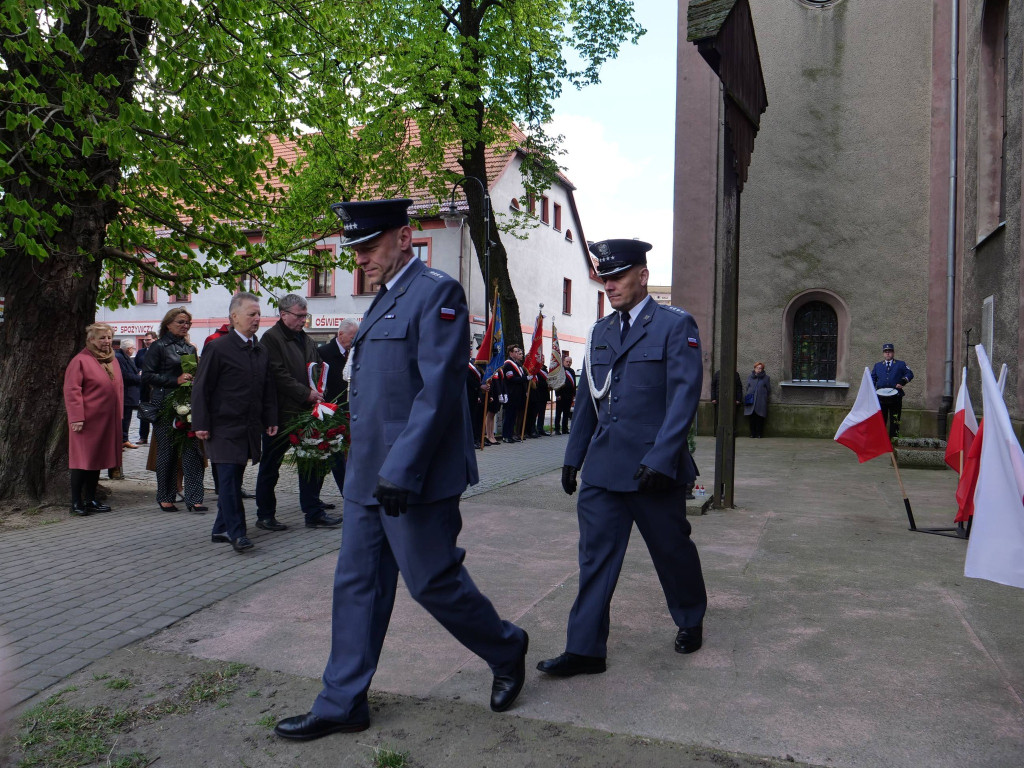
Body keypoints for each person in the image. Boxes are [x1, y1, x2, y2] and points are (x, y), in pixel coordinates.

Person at [275, 198, 528, 741]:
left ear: (404, 238)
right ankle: (343, 700)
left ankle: (506, 646)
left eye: (369, 246)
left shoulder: (436, 293)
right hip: (371, 476)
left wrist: (402, 467)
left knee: (432, 582)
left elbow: (437, 392)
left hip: (416, 476)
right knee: (357, 585)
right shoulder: (385, 298)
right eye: (355, 248)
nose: (359, 258)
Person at [538, 238, 706, 678]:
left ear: (642, 275)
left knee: (671, 551)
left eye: (617, 276)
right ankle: (585, 649)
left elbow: (684, 400)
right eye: (604, 278)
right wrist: (573, 457)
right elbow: (587, 403)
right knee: (594, 559)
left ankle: (690, 617)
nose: (609, 285)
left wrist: (662, 457)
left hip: (655, 470)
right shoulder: (601, 331)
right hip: (604, 468)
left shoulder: (674, 324)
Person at [192, 293, 278, 553]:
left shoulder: (260, 349)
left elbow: (267, 389)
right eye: (251, 314)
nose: (257, 319)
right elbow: (201, 388)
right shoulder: (218, 348)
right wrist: (201, 423)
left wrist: (270, 418)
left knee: (234, 479)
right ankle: (236, 532)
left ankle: (220, 526)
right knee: (229, 481)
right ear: (234, 317)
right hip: (222, 427)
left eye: (258, 314)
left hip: (248, 427)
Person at [255, 295, 341, 531]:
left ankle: (313, 512)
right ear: (283, 314)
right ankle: (265, 515)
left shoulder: (306, 339)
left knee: (313, 461)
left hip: (307, 413)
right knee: (271, 466)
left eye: (305, 316)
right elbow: (278, 374)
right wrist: (306, 393)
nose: (303, 320)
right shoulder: (271, 339)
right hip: (281, 414)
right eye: (299, 316)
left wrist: (318, 393)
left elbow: (315, 370)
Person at [142, 308, 206, 512]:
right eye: (181, 322)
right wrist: (174, 380)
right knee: (167, 452)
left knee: (192, 452)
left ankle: (195, 498)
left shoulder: (189, 348)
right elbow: (147, 376)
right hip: (165, 405)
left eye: (188, 322)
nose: (185, 325)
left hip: (187, 404)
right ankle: (165, 496)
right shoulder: (159, 346)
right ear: (168, 324)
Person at [63, 323, 123, 516]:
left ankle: (91, 499)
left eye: (108, 337)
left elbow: (118, 388)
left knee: (96, 461)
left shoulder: (112, 359)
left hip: (107, 419)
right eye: (102, 338)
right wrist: (76, 417)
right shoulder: (80, 360)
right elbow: (72, 391)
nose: (106, 341)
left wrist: (119, 414)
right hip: (87, 421)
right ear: (91, 340)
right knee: (82, 462)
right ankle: (76, 503)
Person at [317, 318, 359, 504]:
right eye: (352, 336)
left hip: (349, 411)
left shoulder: (355, 353)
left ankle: (348, 495)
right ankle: (347, 496)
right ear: (340, 334)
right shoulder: (323, 353)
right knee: (331, 458)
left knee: (341, 457)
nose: (355, 340)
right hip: (329, 413)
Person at [871, 343, 913, 439]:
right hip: (881, 398)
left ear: (893, 353)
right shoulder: (877, 366)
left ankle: (894, 440)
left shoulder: (900, 364)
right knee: (881, 419)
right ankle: (881, 440)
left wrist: (902, 382)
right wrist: (871, 388)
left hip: (895, 397)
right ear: (883, 354)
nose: (888, 353)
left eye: (889, 351)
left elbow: (910, 374)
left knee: (895, 419)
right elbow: (872, 378)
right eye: (886, 352)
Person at [115, 341, 141, 449]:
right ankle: (121, 440)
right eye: (133, 348)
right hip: (126, 393)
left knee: (127, 418)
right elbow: (125, 375)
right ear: (129, 349)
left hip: (130, 394)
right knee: (123, 418)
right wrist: (140, 377)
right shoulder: (120, 358)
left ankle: (124, 439)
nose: (133, 351)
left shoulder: (124, 357)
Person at [134, 331, 159, 444]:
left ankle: (158, 437)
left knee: (158, 411)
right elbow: (135, 366)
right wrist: (139, 371)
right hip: (144, 386)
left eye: (148, 340)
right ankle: (143, 437)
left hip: (157, 386)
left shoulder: (160, 351)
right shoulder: (141, 352)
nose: (146, 342)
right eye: (145, 340)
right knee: (144, 410)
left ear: (155, 339)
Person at [500, 345, 526, 442]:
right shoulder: (508, 364)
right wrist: (525, 379)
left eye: (517, 351)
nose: (516, 353)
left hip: (517, 394)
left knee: (513, 416)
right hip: (511, 393)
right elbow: (511, 379)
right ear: (510, 353)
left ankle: (510, 435)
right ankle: (506, 436)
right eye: (515, 351)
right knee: (509, 415)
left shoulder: (517, 364)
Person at [743, 363, 771, 438]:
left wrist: (764, 397)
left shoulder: (766, 378)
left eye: (760, 368)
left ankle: (759, 433)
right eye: (757, 368)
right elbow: (747, 387)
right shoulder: (750, 377)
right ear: (754, 368)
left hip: (760, 401)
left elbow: (768, 389)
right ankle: (752, 433)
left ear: (762, 369)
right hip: (751, 400)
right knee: (752, 418)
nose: (759, 369)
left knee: (760, 418)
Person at [467, 357, 487, 449]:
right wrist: (479, 386)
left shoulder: (474, 362)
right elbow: (468, 379)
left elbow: (481, 379)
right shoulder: (465, 364)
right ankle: (471, 441)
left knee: (477, 419)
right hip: (468, 396)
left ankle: (478, 439)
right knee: (471, 419)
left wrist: (480, 394)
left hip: (476, 395)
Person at [554, 353, 575, 435]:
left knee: (566, 414)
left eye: (570, 362)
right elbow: (557, 383)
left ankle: (565, 429)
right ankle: (557, 429)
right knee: (558, 413)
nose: (568, 363)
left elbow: (573, 383)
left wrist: (574, 394)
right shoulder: (560, 370)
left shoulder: (572, 371)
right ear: (563, 362)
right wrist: (557, 394)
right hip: (561, 395)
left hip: (569, 396)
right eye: (567, 361)